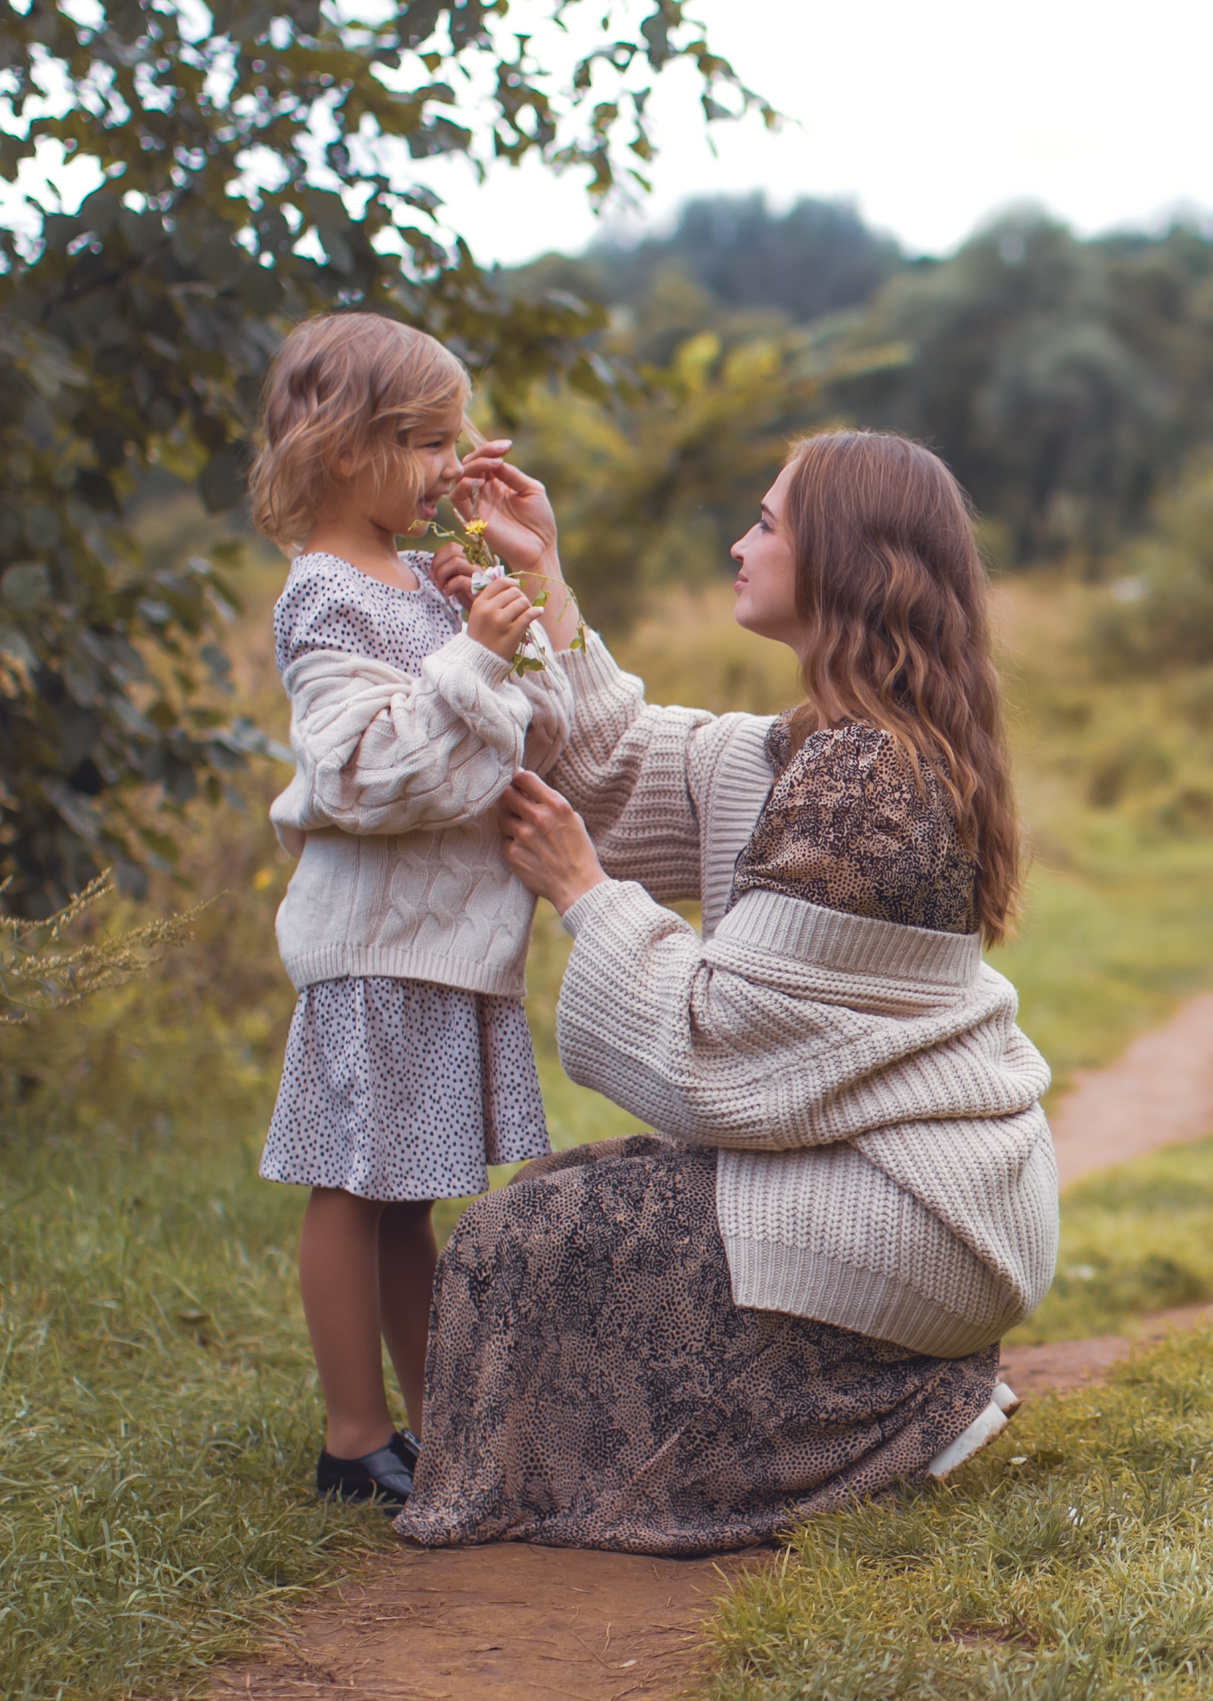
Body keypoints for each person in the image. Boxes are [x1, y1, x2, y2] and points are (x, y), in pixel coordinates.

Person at [393, 430, 1058, 1555]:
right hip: (924, 1189)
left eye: (766, 524)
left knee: (516, 1242)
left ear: (841, 560)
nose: (739, 546)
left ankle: (885, 1421)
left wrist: (582, 893)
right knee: (573, 1202)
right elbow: (628, 764)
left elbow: (717, 1050)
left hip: (912, 1209)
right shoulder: (838, 744)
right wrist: (542, 579)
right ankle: (864, 1397)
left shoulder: (859, 782)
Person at [249, 312, 581, 1505]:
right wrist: (469, 657)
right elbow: (363, 773)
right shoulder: (326, 595)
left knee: (409, 1198)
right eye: (431, 439)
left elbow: (521, 738)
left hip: (444, 948)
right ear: (347, 449)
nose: (455, 464)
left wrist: (495, 609)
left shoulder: (422, 586)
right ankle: (353, 1440)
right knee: (353, 1186)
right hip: (376, 950)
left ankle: (440, 1423)